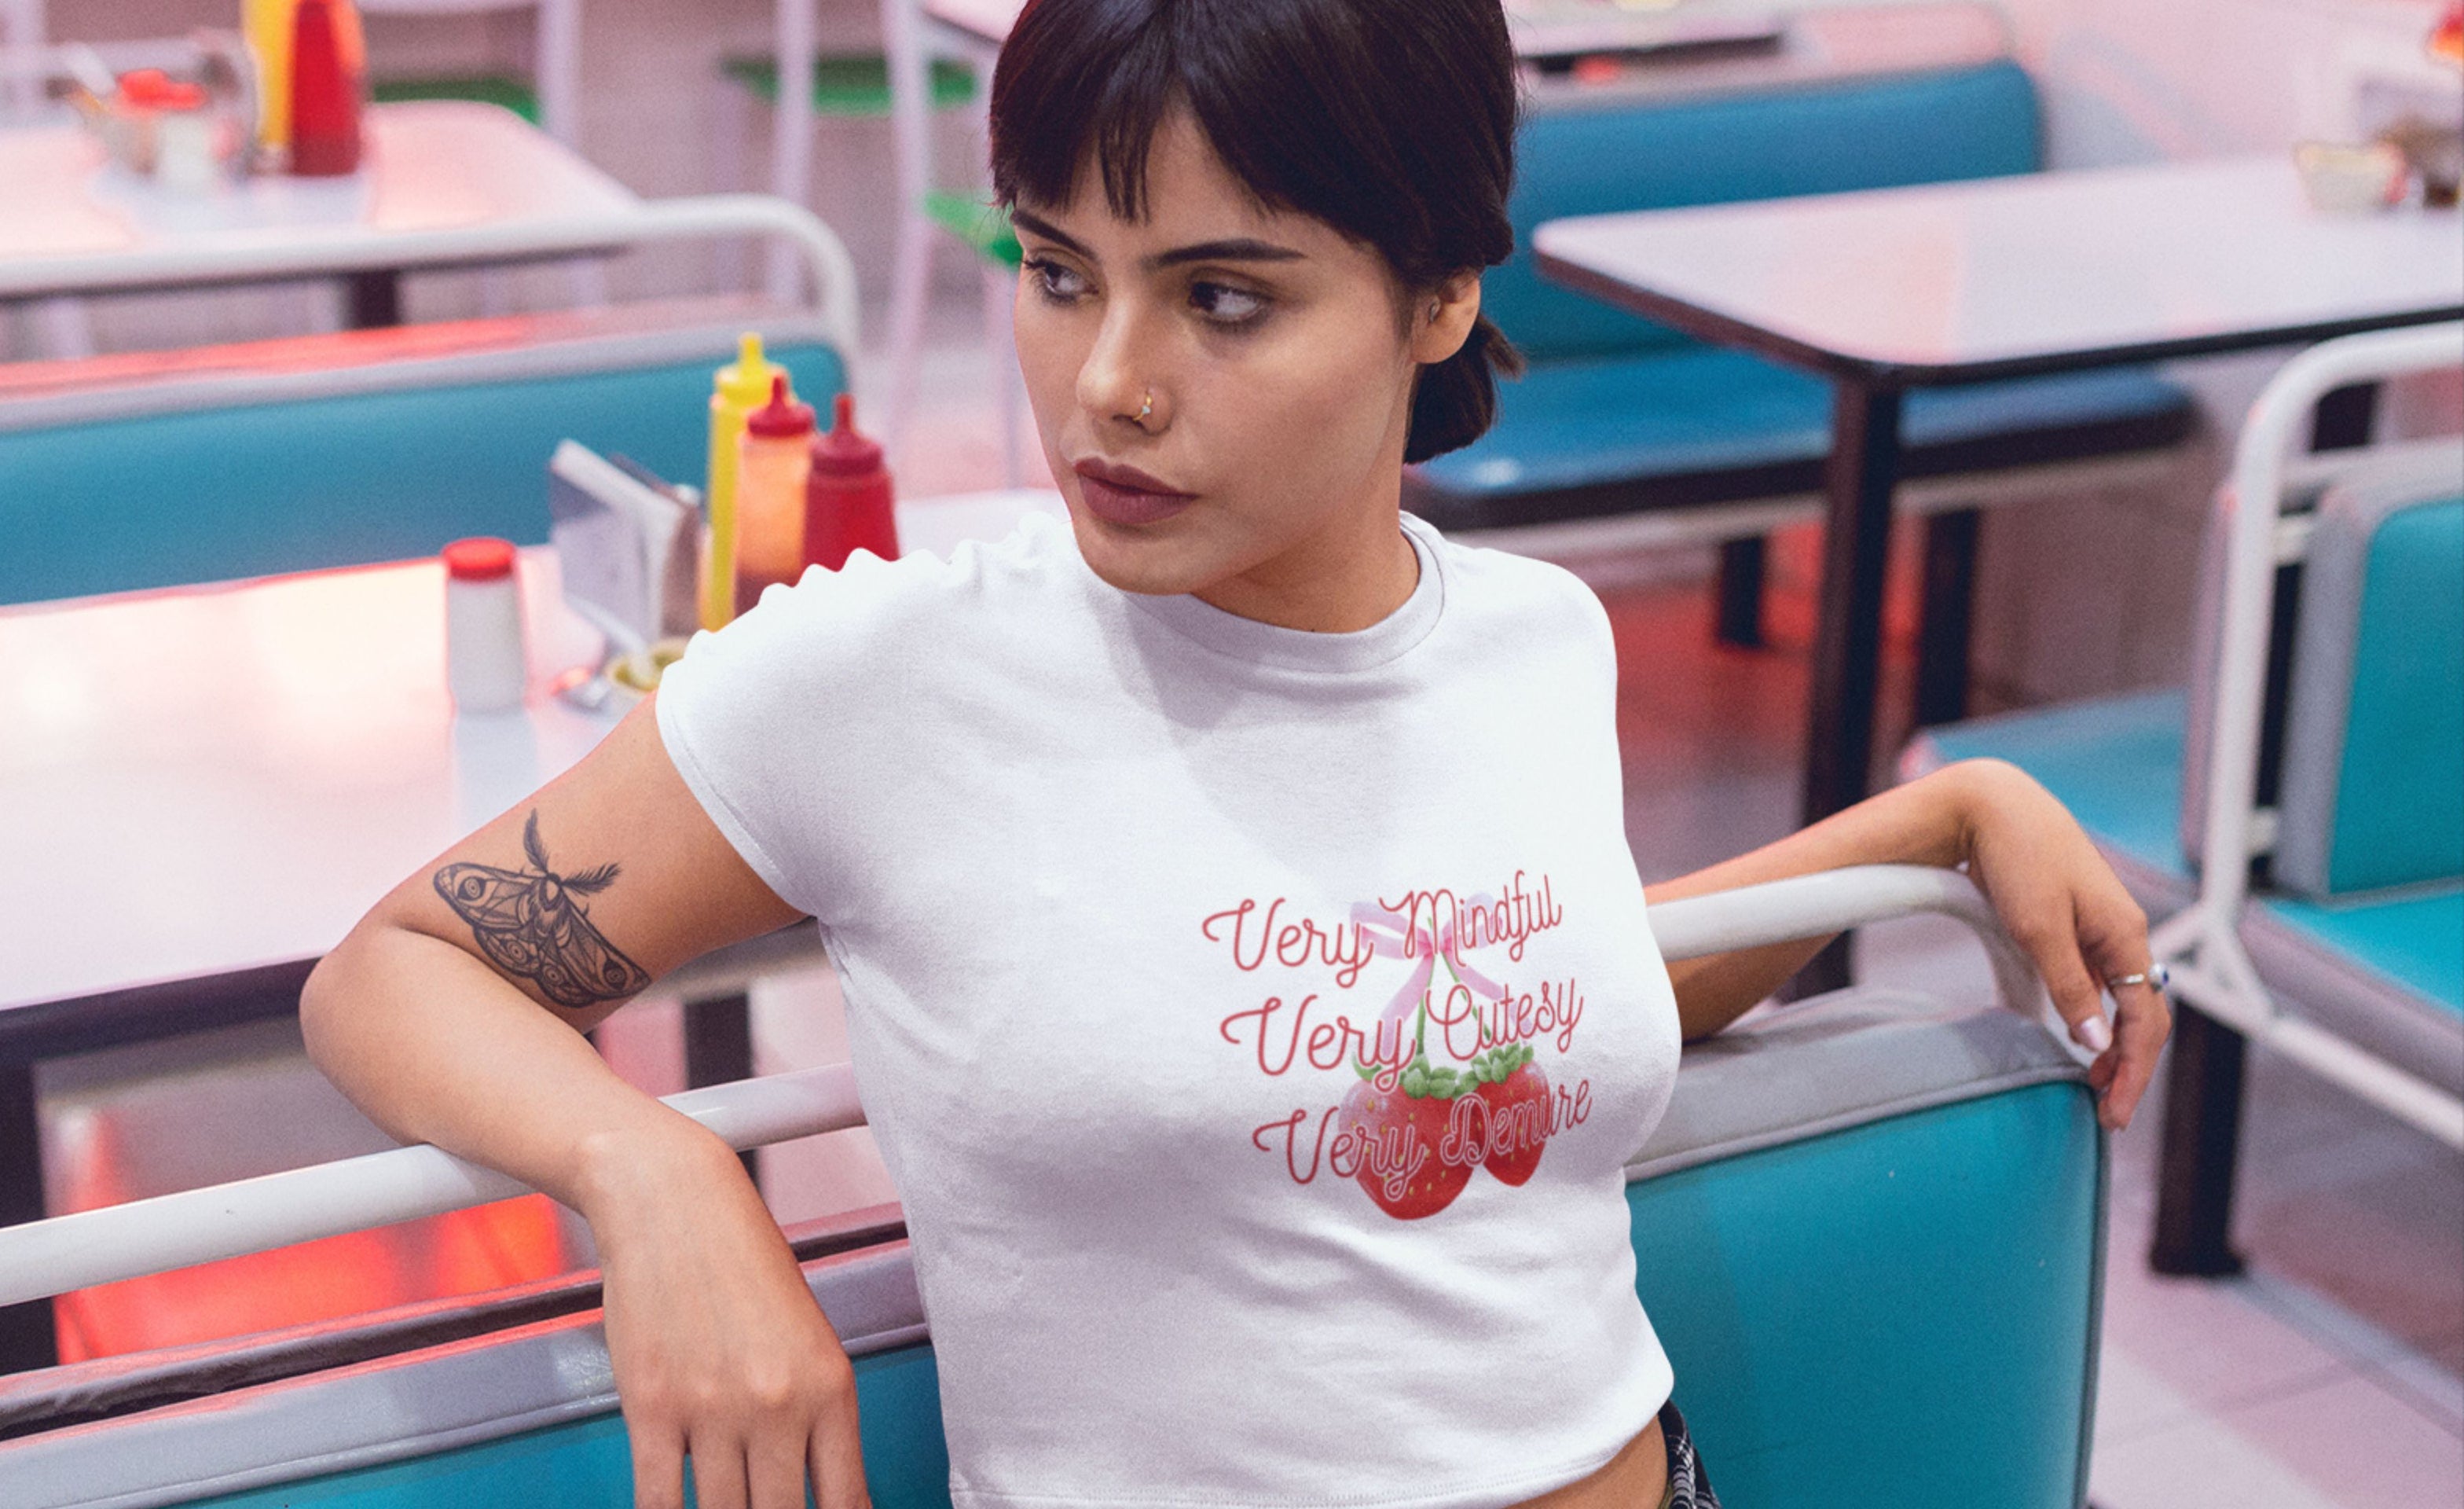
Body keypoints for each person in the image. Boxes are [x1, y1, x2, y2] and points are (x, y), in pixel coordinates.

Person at [301, 0, 2171, 1503]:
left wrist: (1938, 817)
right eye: (1054, 270)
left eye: (1221, 296)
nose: (1108, 380)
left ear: (1438, 294)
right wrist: (659, 1178)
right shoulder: (890, 680)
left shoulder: (1535, 642)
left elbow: (1497, 1022)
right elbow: (397, 972)